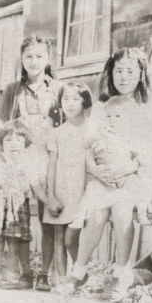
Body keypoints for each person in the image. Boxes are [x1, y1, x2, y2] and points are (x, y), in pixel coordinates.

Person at [54, 47, 152, 296]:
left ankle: (121, 274)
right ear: (110, 73)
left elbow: (149, 150)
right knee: (96, 213)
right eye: (118, 71)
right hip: (103, 175)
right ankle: (78, 273)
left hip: (134, 176)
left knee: (123, 208)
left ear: (141, 74)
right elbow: (89, 147)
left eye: (130, 71)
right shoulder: (103, 106)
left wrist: (127, 170)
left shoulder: (148, 107)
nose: (124, 77)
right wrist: (96, 170)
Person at [0, 36, 64, 284]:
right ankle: (25, 271)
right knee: (20, 215)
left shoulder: (58, 89)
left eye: (39, 56)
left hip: (49, 158)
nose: (34, 61)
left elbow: (64, 126)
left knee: (48, 216)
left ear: (47, 59)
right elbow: (2, 127)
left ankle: (45, 273)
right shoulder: (12, 90)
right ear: (21, 59)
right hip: (20, 159)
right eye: (28, 56)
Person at [0, 120, 61, 290]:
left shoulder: (27, 162)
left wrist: (50, 202)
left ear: (26, 143)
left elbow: (36, 186)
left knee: (14, 243)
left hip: (17, 207)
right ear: (1, 142)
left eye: (18, 140)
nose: (13, 144)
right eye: (8, 140)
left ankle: (10, 275)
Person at [41, 81, 93, 291]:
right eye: (65, 99)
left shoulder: (92, 128)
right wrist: (51, 195)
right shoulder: (56, 133)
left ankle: (82, 273)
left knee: (73, 239)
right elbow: (52, 166)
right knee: (59, 236)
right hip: (62, 188)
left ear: (85, 101)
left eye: (75, 99)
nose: (70, 104)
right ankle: (63, 279)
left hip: (83, 188)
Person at [69, 95, 149, 229]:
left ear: (129, 119)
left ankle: (142, 213)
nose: (112, 120)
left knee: (136, 185)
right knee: (92, 189)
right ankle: (79, 217)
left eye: (117, 116)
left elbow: (141, 158)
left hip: (124, 176)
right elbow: (84, 145)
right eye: (108, 116)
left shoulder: (130, 137)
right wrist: (94, 136)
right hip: (104, 178)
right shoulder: (100, 133)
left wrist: (134, 162)